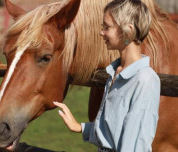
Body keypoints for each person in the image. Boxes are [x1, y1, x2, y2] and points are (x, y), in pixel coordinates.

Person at [53, 0, 160, 152]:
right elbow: (113, 130)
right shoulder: (115, 72)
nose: (101, 32)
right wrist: (80, 127)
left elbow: (135, 144)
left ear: (127, 31)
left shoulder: (144, 80)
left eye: (107, 27)